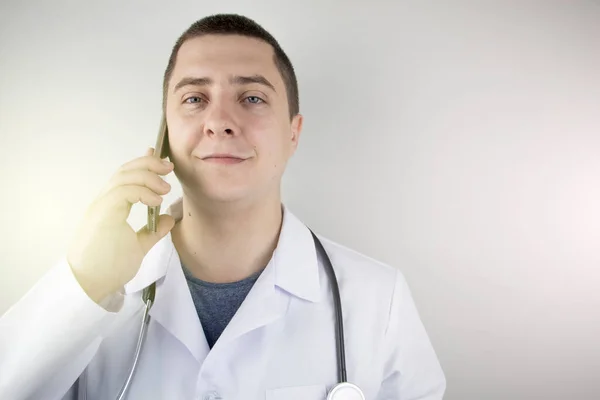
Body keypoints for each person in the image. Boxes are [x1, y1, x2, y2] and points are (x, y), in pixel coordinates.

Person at [0, 13, 446, 400]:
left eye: (252, 98)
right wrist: (86, 283)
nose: (219, 122)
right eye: (194, 99)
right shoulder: (93, 293)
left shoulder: (377, 299)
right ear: (166, 133)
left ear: (294, 132)